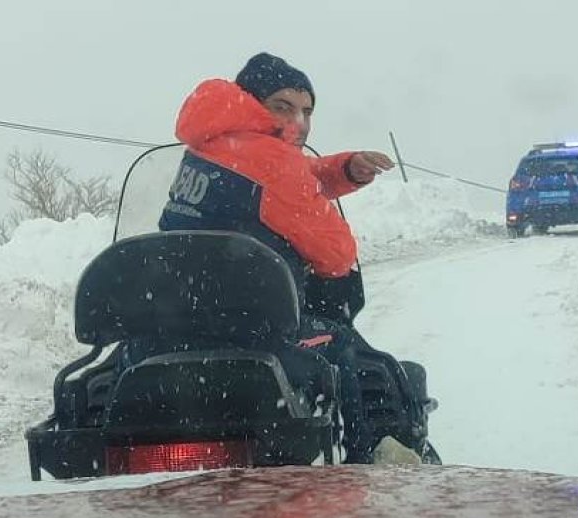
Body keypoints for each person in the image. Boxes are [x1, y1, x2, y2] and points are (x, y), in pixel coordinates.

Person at [157, 52, 418, 464]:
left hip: (178, 324)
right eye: (283, 107)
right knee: (340, 345)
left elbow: (280, 183)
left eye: (307, 111)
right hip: (253, 331)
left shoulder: (208, 142)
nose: (299, 121)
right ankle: (361, 463)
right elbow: (335, 255)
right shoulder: (274, 164)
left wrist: (344, 170)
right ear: (252, 102)